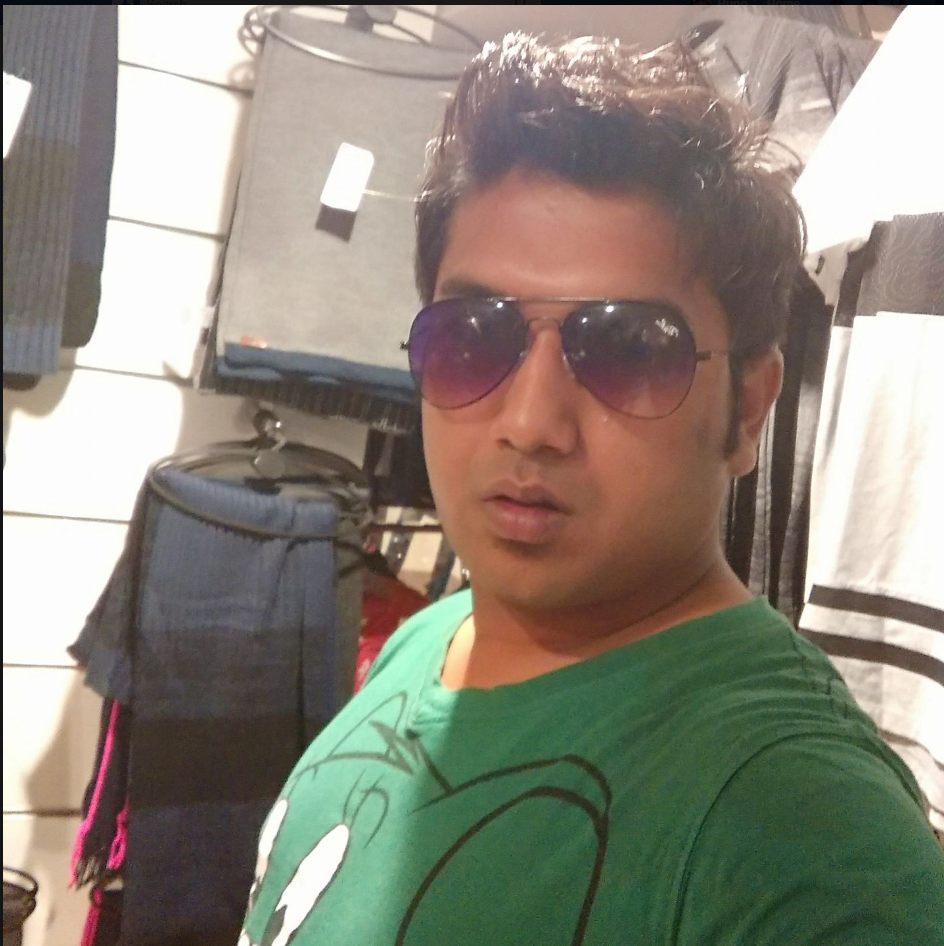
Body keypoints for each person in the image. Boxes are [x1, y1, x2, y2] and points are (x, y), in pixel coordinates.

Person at [239, 34, 944, 946]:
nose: (531, 421)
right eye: (475, 335)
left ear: (747, 410)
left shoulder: (802, 833)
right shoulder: (431, 639)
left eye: (629, 350)